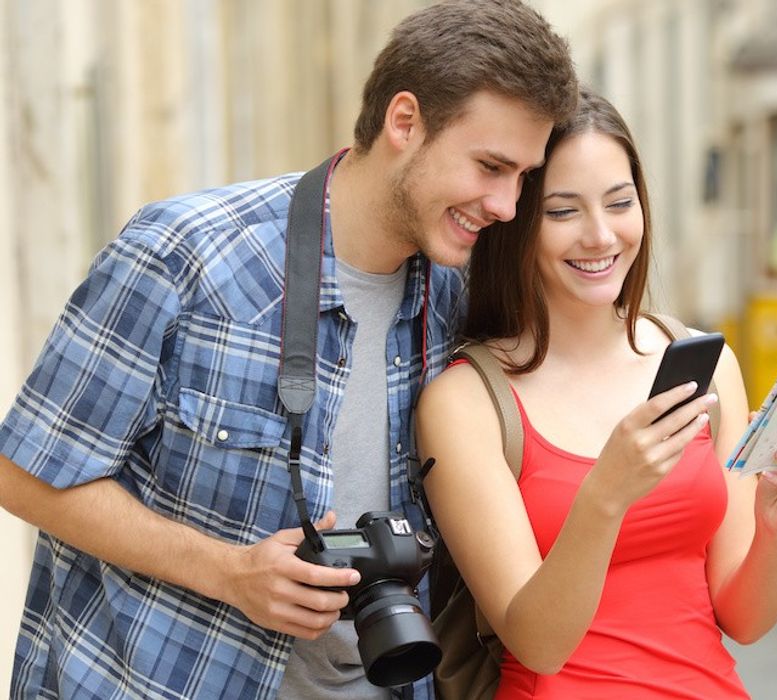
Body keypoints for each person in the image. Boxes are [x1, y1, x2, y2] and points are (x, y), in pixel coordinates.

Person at [0, 1, 576, 698]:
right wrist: (227, 572)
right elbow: (23, 473)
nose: (508, 204)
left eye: (523, 177)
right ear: (404, 122)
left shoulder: (457, 301)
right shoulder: (186, 256)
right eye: (490, 166)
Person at [414, 89, 777, 699]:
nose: (601, 235)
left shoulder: (705, 366)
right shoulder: (467, 402)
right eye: (563, 212)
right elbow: (538, 642)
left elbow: (744, 620)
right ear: (518, 225)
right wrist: (605, 496)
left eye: (620, 203)